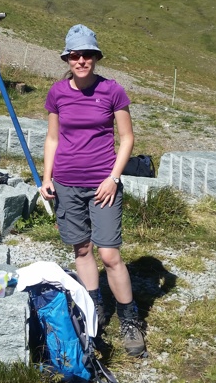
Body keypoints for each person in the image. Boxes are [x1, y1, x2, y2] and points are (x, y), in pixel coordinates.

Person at [39, 24, 147, 357]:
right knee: (82, 249)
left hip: (104, 185)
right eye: (75, 55)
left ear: (96, 57)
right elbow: (53, 139)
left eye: (87, 55)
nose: (81, 61)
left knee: (110, 255)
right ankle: (93, 307)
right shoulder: (58, 93)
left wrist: (113, 178)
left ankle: (129, 319)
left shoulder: (112, 91)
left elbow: (127, 138)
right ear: (67, 59)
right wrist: (47, 177)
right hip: (66, 182)